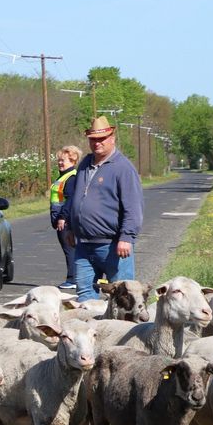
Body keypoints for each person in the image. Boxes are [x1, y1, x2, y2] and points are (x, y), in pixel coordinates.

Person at [57, 116, 144, 302]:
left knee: (123, 298)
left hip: (113, 245)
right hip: (83, 246)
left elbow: (133, 207)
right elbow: (76, 199)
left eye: (102, 139)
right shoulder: (84, 166)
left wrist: (127, 237)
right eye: (93, 139)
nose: (97, 143)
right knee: (85, 298)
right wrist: (71, 228)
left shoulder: (123, 168)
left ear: (112, 139)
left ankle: (120, 331)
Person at [50, 145, 82, 289]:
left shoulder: (71, 177)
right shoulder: (64, 176)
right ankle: (73, 278)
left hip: (65, 220)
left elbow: (71, 199)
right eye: (59, 161)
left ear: (73, 160)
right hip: (61, 217)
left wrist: (63, 217)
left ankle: (73, 279)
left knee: (69, 249)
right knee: (68, 249)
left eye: (63, 160)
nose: (60, 163)